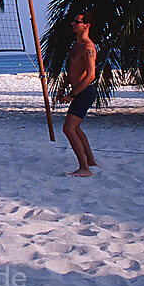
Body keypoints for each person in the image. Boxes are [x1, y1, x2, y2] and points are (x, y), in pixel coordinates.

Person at [57, 12, 98, 177]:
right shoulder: (77, 45)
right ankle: (91, 162)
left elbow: (90, 75)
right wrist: (63, 88)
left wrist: (72, 95)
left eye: (77, 21)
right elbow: (73, 72)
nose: (72, 24)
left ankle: (85, 169)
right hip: (78, 91)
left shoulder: (88, 47)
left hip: (85, 92)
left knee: (68, 129)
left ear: (86, 25)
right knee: (75, 128)